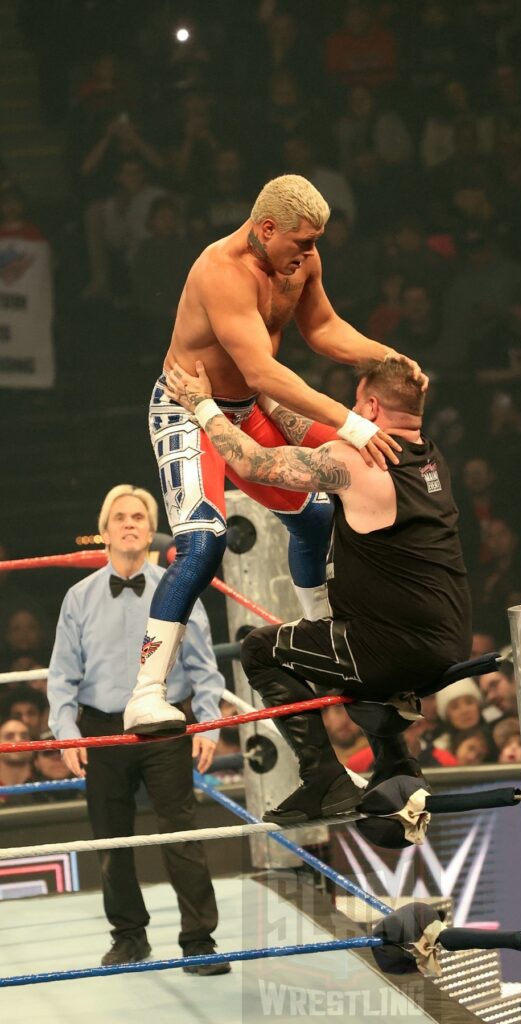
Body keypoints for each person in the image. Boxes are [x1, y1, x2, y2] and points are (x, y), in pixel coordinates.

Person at [123, 173, 425, 736]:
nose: (311, 254)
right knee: (203, 542)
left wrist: (389, 357)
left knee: (316, 518)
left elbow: (323, 328)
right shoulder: (221, 273)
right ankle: (145, 694)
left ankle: (333, 648)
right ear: (266, 228)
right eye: (302, 242)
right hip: (191, 408)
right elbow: (262, 367)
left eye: (314, 243)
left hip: (250, 407)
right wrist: (353, 422)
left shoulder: (296, 259)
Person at [164, 357, 471, 824]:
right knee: (336, 644)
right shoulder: (429, 455)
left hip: (391, 648)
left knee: (260, 650)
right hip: (444, 640)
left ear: (369, 406)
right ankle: (396, 762)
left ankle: (324, 778)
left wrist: (202, 405)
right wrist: (260, 398)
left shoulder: (359, 463)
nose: (347, 412)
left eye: (354, 403)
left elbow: (251, 461)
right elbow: (310, 429)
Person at [48, 485, 228, 973]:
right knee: (111, 838)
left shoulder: (179, 587)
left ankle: (199, 943)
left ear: (151, 531)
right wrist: (66, 731)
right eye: (120, 517)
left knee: (181, 835)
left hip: (165, 725)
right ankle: (128, 936)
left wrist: (208, 725)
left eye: (139, 517)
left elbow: (205, 668)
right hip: (102, 729)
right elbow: (62, 674)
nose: (130, 524)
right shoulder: (79, 597)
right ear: (105, 532)